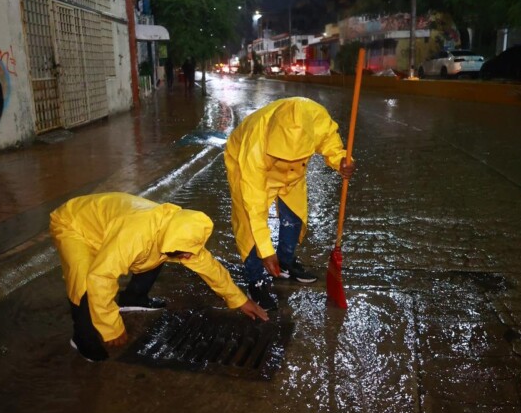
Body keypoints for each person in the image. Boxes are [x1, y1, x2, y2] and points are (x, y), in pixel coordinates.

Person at [49, 192, 269, 362]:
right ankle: (82, 338)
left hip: (109, 225)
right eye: (184, 252)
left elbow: (211, 269)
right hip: (74, 224)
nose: (188, 256)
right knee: (84, 282)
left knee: (154, 256)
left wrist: (240, 300)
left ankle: (133, 298)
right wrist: (111, 326)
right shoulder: (135, 237)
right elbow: (101, 277)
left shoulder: (178, 232)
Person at [224, 97, 356, 310]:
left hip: (292, 176)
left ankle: (284, 263)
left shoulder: (315, 116)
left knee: (293, 217)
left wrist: (340, 159)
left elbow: (329, 142)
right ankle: (255, 279)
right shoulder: (254, 144)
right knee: (249, 226)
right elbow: (255, 207)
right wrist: (266, 251)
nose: (288, 159)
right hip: (248, 168)